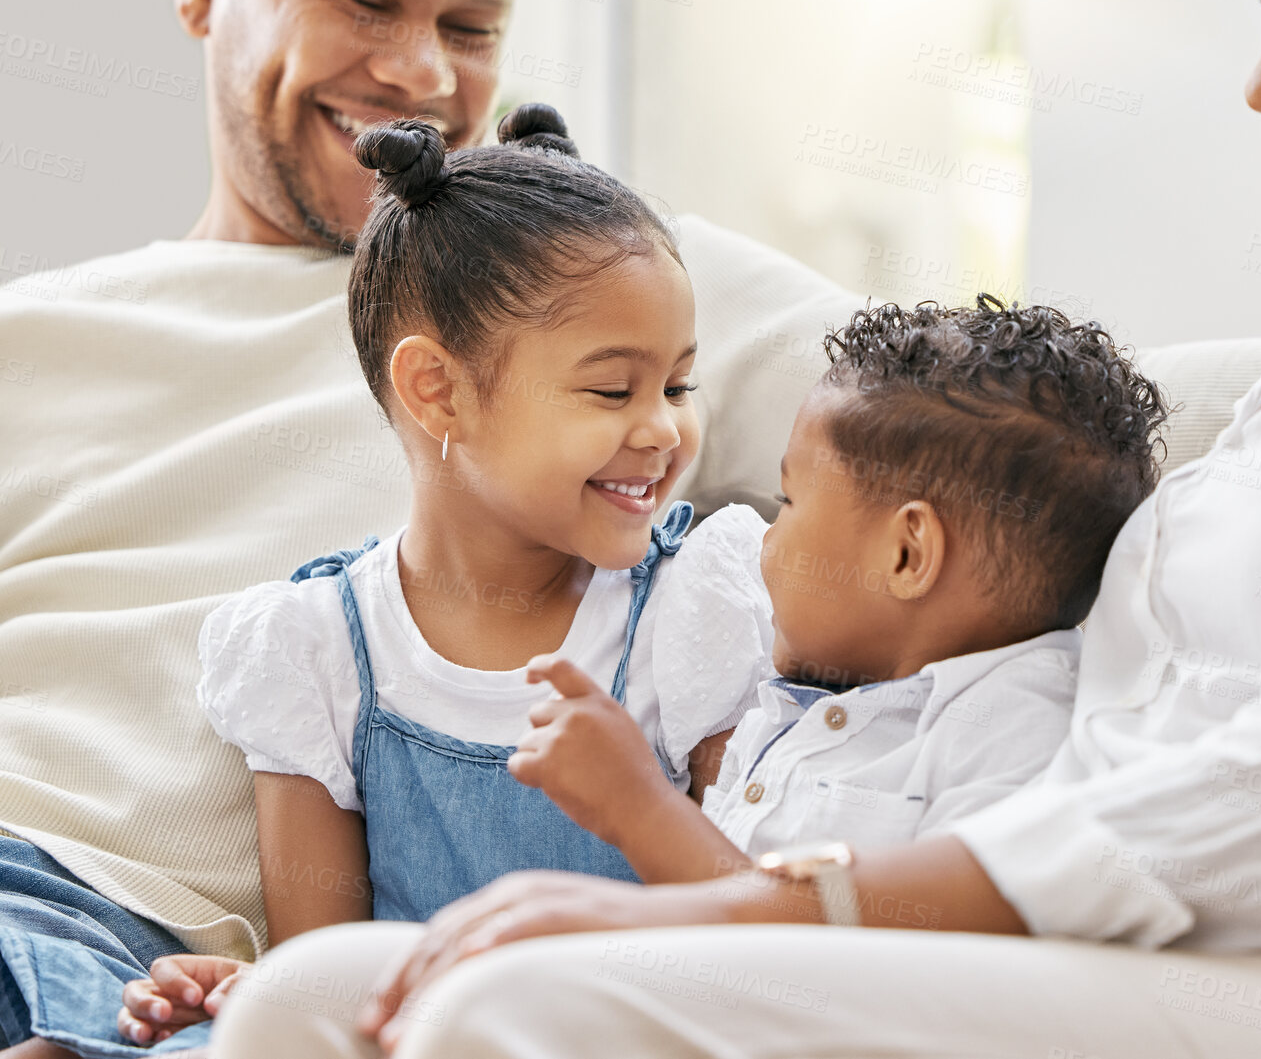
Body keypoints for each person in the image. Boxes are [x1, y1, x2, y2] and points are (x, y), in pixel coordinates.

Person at [209, 0, 1261, 1055]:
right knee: (313, 1000)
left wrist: (778, 915)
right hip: (1109, 907)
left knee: (514, 1005)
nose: (1257, 90)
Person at [0, 0, 857, 1057]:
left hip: (151, 963)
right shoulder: (33, 335)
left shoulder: (592, 279)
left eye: (471, 27)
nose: (420, 75)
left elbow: (962, 405)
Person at [103, 106, 775, 1048]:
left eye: (678, 386)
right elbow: (327, 974)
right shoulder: (317, 647)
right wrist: (252, 994)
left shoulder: (691, 604)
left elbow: (761, 940)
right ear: (437, 389)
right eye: (613, 389)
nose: (664, 429)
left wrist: (640, 803)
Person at [497, 299, 1169, 887]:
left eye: (788, 501)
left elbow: (854, 959)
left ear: (906, 554)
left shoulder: (1016, 736)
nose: (765, 540)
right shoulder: (784, 707)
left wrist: (639, 809)